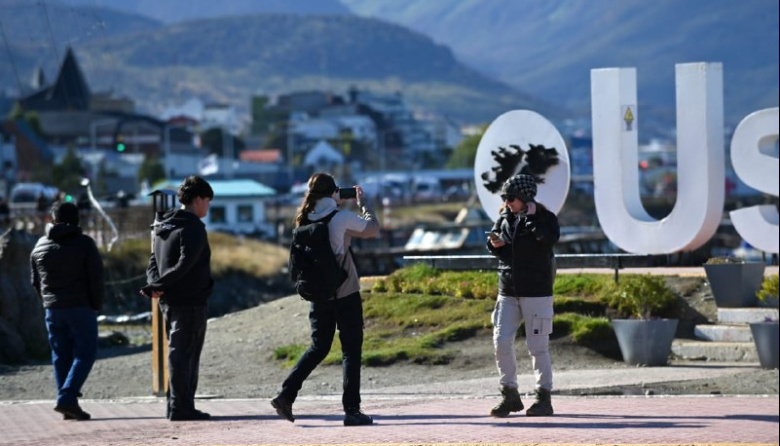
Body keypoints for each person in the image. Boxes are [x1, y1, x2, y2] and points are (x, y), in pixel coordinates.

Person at [271, 172, 379, 426]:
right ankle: (352, 410)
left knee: (319, 347)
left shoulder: (304, 218)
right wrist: (364, 205)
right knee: (351, 350)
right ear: (333, 193)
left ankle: (286, 395)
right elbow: (372, 229)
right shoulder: (340, 218)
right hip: (346, 291)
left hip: (319, 294)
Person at [485, 173, 560, 417]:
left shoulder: (546, 218)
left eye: (511, 197)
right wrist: (494, 245)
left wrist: (529, 220)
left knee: (538, 347)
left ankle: (543, 397)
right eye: (504, 197)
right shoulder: (504, 217)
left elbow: (547, 240)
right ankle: (509, 394)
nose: (507, 202)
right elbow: (501, 249)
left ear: (525, 197)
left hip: (537, 292)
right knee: (500, 341)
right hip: (507, 290)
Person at [144, 175, 214, 421]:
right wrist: (159, 284)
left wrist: (156, 285)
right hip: (190, 300)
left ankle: (174, 405)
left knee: (178, 352)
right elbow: (187, 263)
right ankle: (181, 408)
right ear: (197, 200)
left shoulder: (163, 225)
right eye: (207, 201)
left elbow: (153, 260)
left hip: (168, 301)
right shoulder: (192, 226)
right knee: (185, 354)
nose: (208, 206)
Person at [30, 201, 104, 421]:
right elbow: (96, 279)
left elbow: (35, 282)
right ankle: (67, 397)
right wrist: (96, 305)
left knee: (60, 355)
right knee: (85, 353)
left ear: (53, 220)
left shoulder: (39, 245)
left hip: (52, 309)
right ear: (77, 219)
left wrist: (47, 302)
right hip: (81, 307)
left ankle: (68, 405)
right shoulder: (85, 244)